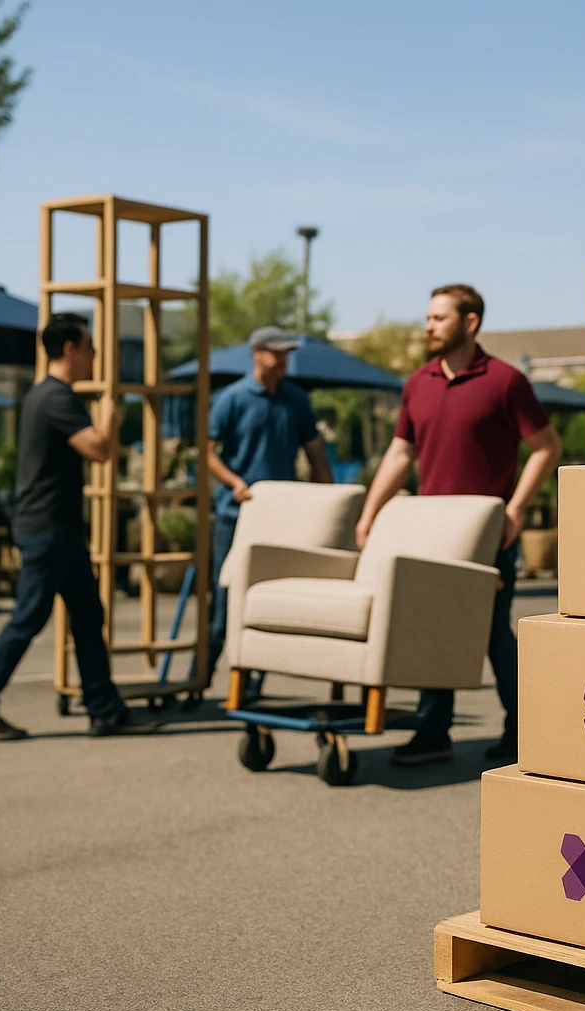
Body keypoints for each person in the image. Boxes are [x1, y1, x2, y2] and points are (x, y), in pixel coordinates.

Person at [356, 284, 562, 765]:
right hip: (431, 533)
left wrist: (513, 510)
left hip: (485, 535)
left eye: (439, 318)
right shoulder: (417, 383)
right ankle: (432, 731)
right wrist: (369, 513)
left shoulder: (506, 382)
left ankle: (526, 728)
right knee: (434, 628)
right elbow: (401, 453)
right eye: (428, 318)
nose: (428, 326)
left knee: (490, 631)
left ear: (470, 323)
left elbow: (547, 447)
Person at [0, 313, 156, 739]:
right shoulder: (55, 398)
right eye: (90, 347)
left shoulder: (45, 395)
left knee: (88, 615)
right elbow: (100, 451)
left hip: (57, 527)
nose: (94, 356)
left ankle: (105, 709)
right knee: (28, 618)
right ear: (70, 348)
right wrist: (108, 413)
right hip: (47, 528)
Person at [199, 325, 333, 699]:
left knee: (267, 600)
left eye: (287, 354)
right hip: (235, 516)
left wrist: (332, 500)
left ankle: (252, 683)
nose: (283, 361)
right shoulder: (232, 399)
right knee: (225, 598)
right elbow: (206, 451)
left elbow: (316, 454)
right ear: (257, 353)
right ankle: (203, 676)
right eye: (277, 353)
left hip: (281, 517)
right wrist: (233, 482)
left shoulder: (296, 400)